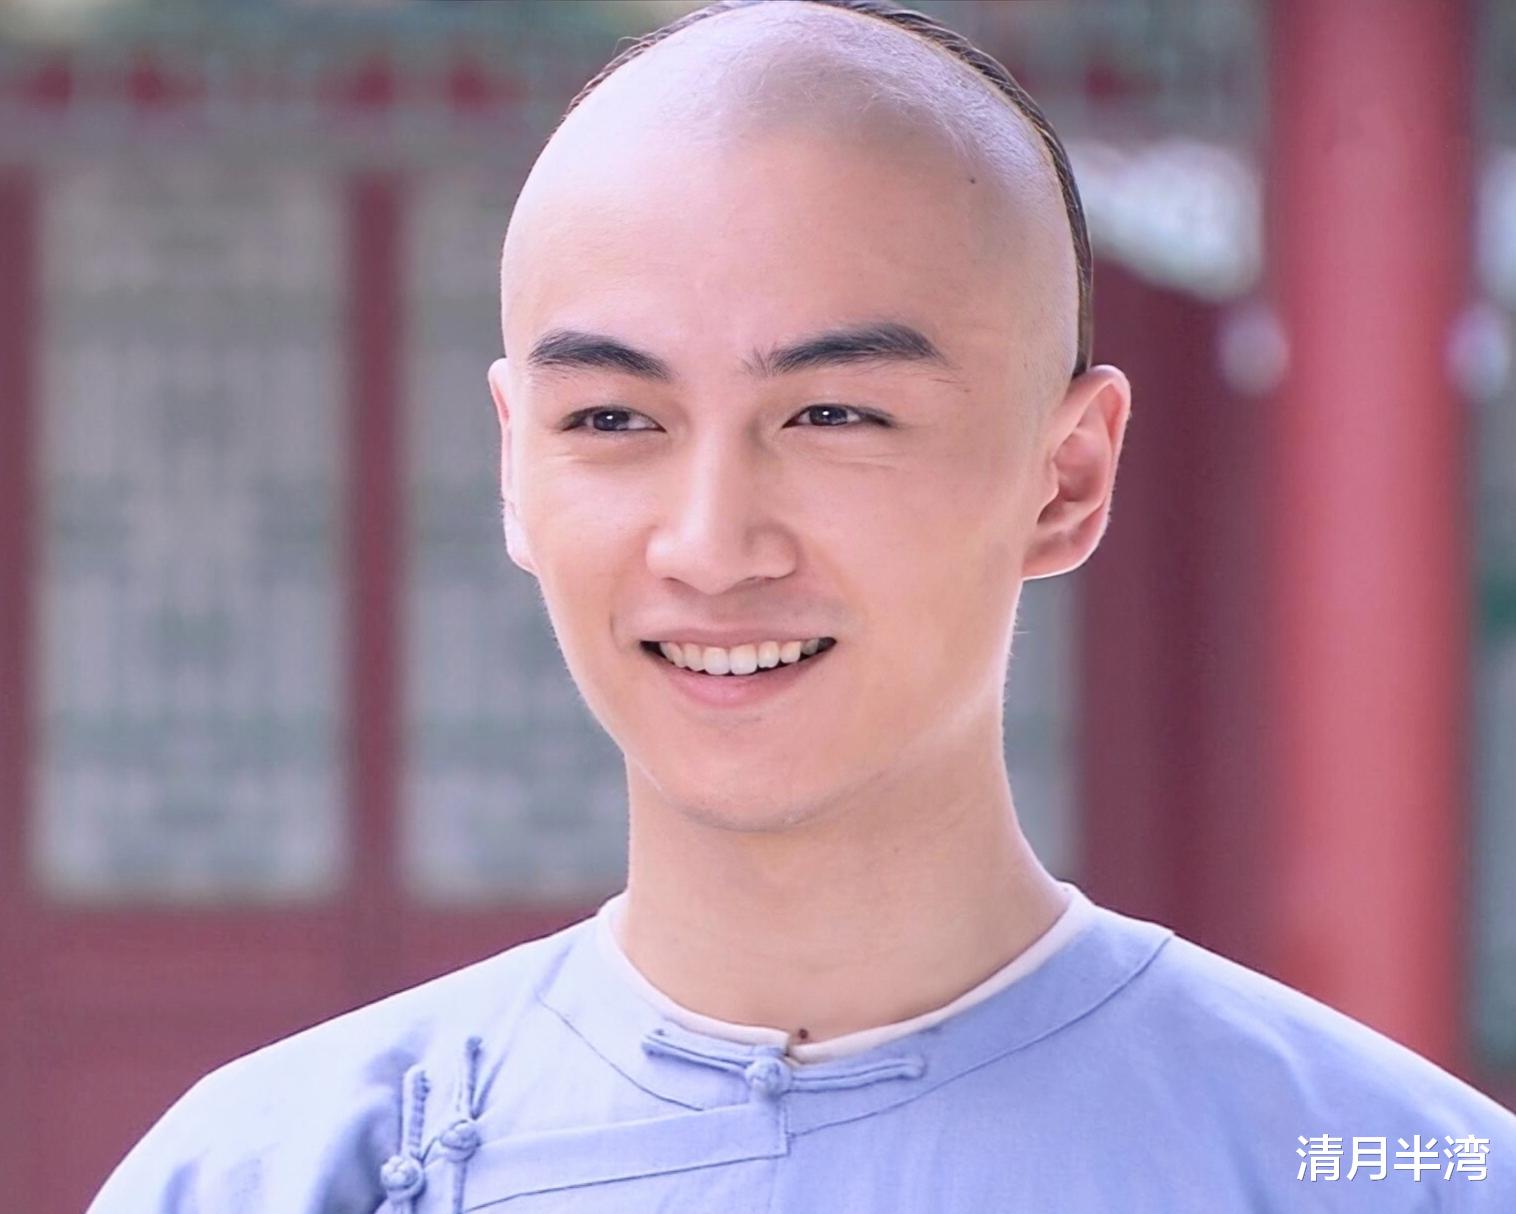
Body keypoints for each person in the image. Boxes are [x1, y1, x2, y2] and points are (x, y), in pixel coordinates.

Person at [88, 1, 1516, 1211]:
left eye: (833, 413)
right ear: (515, 466)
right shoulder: (279, 1170)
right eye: (612, 418)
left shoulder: (1385, 1171)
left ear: (1068, 475)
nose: (712, 545)